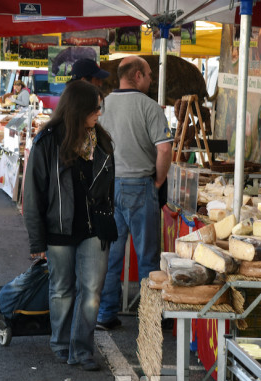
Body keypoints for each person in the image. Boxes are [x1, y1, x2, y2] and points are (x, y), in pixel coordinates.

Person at [23, 80, 116, 371]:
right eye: (95, 109)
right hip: (59, 228)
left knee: (92, 291)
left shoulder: (102, 140)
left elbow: (107, 187)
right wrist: (37, 242)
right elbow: (33, 194)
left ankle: (82, 350)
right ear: (79, 109)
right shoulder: (48, 140)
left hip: (95, 228)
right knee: (62, 289)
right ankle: (61, 344)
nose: (99, 113)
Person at [96, 56, 173, 331]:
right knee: (148, 257)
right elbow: (164, 149)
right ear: (137, 75)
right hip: (141, 186)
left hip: (109, 186)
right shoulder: (150, 107)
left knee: (111, 256)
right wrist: (159, 180)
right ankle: (149, 317)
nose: (151, 80)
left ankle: (105, 313)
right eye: (150, 75)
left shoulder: (102, 105)